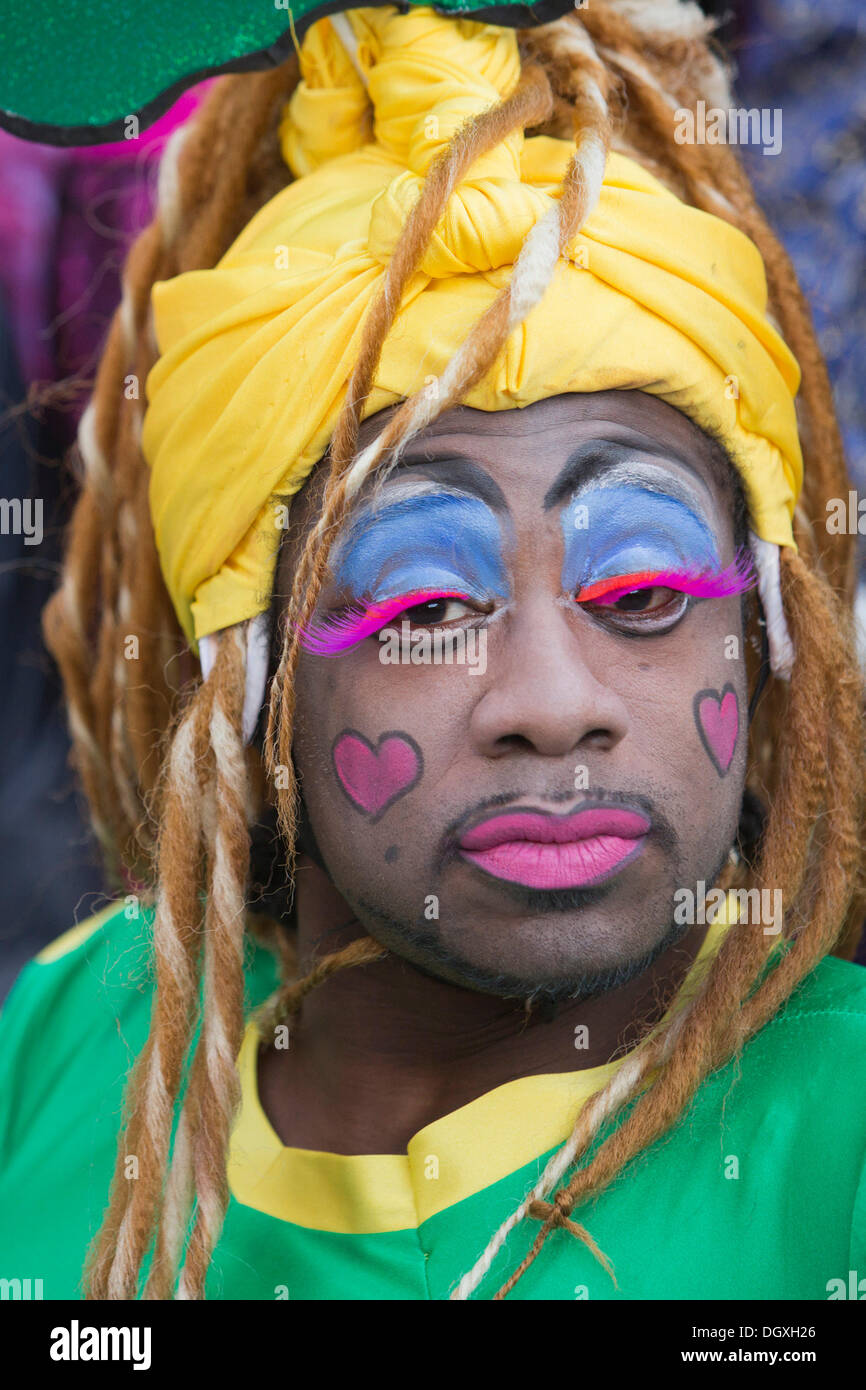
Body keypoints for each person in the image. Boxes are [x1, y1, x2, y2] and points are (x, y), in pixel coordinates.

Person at [1, 2, 864, 1302]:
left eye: (639, 589)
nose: (553, 703)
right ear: (244, 678)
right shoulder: (73, 1034)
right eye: (419, 607)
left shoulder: (833, 1147)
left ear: (762, 632)